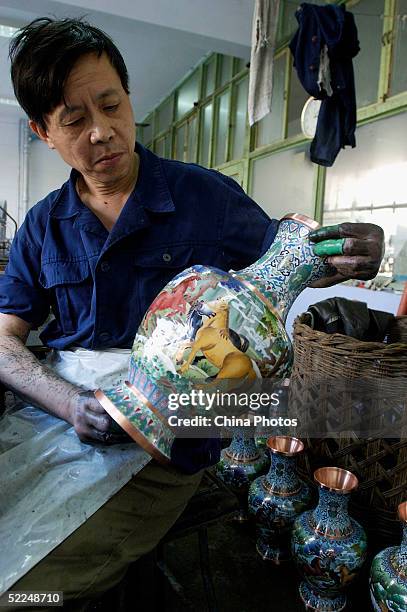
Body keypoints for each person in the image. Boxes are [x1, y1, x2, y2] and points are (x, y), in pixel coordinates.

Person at [0, 17, 384, 609]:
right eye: (75, 121)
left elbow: (292, 255)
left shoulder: (204, 196)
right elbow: (5, 340)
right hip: (63, 416)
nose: (103, 132)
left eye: (112, 104)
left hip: (173, 436)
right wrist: (64, 401)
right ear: (43, 131)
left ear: (129, 98)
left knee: (34, 585)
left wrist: (350, 253)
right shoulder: (42, 227)